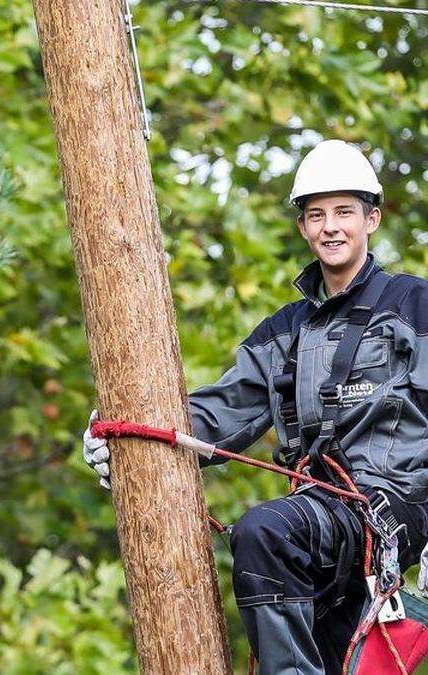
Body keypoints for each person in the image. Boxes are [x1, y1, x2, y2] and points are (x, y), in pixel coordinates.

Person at [81, 139, 428, 674]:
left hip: (391, 509)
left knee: (264, 532)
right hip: (322, 525)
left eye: (344, 213)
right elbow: (217, 416)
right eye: (316, 215)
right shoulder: (284, 332)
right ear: (303, 228)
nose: (330, 227)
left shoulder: (413, 305)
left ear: (372, 220)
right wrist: (125, 442)